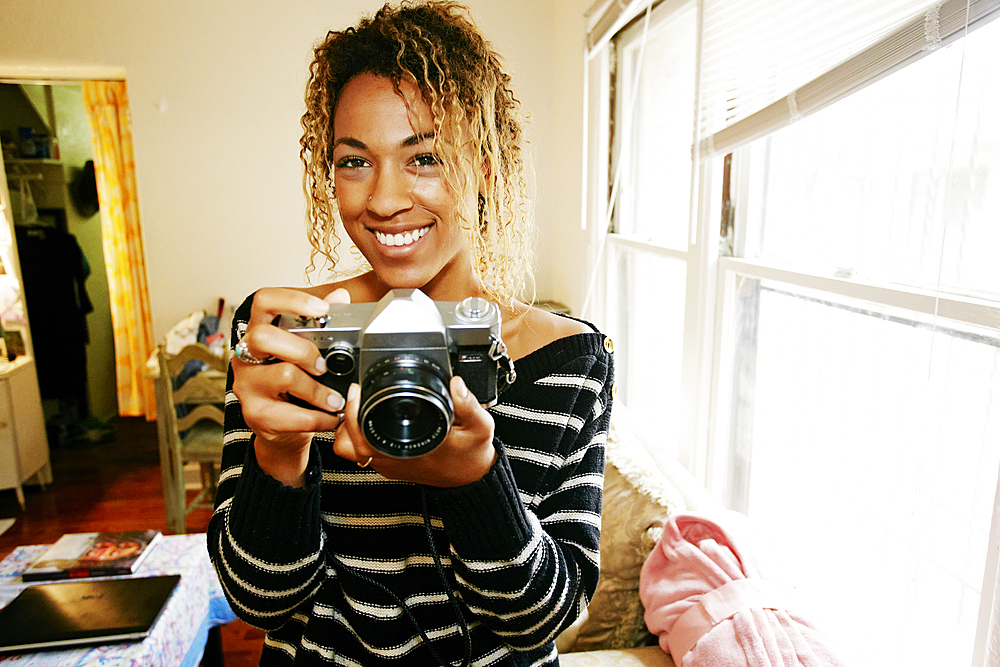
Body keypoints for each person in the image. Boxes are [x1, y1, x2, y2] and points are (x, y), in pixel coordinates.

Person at [207, 2, 615, 665]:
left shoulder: (572, 360)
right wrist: (277, 452)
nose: (384, 199)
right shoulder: (288, 338)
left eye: (423, 156)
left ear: (484, 165)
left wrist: (478, 482)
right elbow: (261, 602)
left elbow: (547, 615)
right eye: (353, 161)